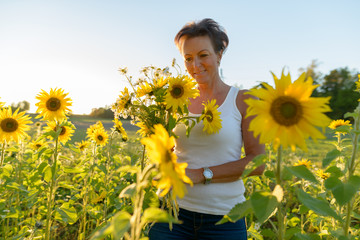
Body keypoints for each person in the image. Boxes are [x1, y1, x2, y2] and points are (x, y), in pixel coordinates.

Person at [149, 18, 265, 240]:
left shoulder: (243, 100)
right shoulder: (175, 99)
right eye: (188, 58)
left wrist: (201, 174)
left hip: (223, 219)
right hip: (171, 213)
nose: (195, 65)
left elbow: (258, 163)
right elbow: (168, 149)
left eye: (203, 55)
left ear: (219, 54)